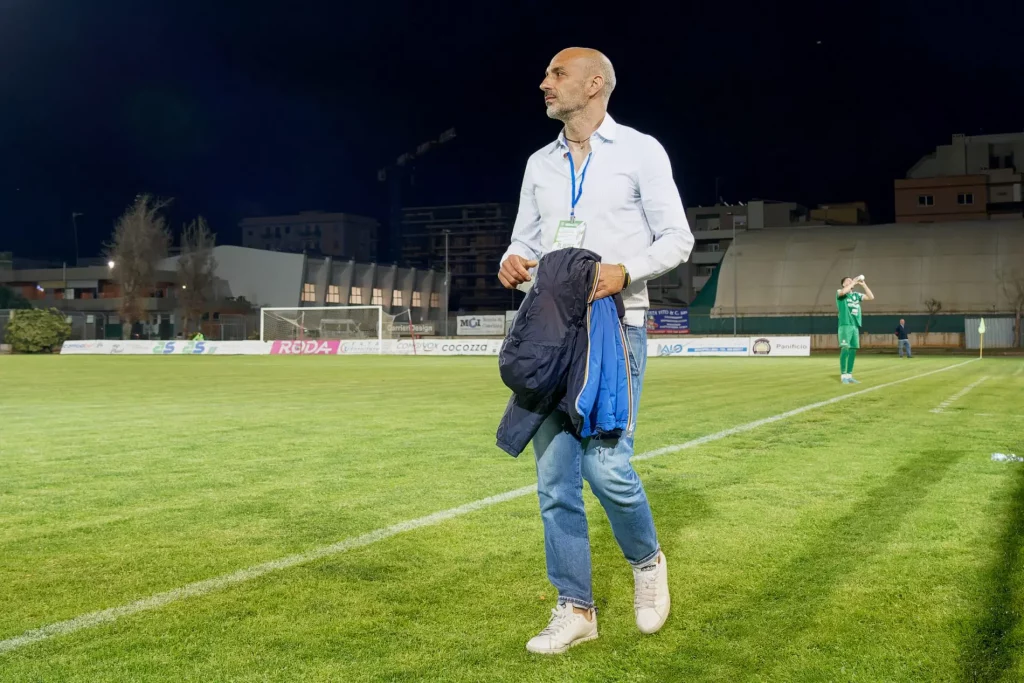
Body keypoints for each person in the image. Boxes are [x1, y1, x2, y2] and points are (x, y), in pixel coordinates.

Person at [498, 47, 694, 654]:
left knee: (605, 466)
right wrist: (513, 260)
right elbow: (525, 239)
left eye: (557, 74)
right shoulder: (539, 164)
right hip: (549, 331)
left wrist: (625, 270)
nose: (544, 83)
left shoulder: (641, 151)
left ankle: (647, 560)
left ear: (594, 84)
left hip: (614, 324)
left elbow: (678, 238)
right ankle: (575, 607)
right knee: (555, 479)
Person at [836, 275, 874, 383]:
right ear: (843, 284)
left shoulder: (856, 295)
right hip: (845, 325)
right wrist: (853, 282)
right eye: (847, 281)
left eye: (850, 280)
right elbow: (843, 292)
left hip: (855, 326)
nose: (850, 281)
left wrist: (863, 285)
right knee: (845, 348)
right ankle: (843, 375)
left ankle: (849, 375)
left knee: (853, 350)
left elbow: (871, 297)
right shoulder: (840, 292)